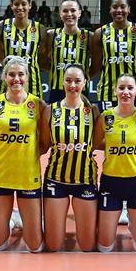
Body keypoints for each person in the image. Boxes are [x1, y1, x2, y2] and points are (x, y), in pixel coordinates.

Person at [0, 57, 49, 251]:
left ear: (27, 77)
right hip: (1, 175)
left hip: (27, 176)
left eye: (21, 74)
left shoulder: (38, 104)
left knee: (35, 246)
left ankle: (22, 218)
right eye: (11, 75)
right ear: (4, 77)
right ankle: (10, 220)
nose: (16, 79)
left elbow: (45, 144)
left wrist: (27, 153)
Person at [96, 74, 136, 253]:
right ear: (115, 90)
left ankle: (134, 220)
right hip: (111, 182)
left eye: (130, 88)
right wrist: (114, 146)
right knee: (105, 247)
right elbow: (94, 143)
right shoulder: (105, 117)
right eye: (121, 88)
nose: (126, 92)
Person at [42, 64, 99, 251]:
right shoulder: (51, 110)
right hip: (56, 180)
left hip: (85, 180)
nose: (72, 85)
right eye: (68, 80)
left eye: (77, 81)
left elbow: (98, 143)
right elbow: (43, 145)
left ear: (84, 83)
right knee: (52, 245)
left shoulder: (93, 111)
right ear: (62, 82)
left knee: (87, 246)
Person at [89, 0, 136, 111]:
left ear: (129, 9)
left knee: (134, 123)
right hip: (107, 91)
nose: (119, 10)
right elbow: (96, 67)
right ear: (110, 9)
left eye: (123, 6)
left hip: (133, 91)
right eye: (115, 7)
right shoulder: (100, 33)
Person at [0, 0, 47, 98]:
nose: (20, 7)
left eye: (24, 4)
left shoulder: (39, 28)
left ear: (30, 5)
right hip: (9, 81)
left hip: (32, 82)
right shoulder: (1, 26)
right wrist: (8, 63)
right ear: (11, 6)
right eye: (16, 4)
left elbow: (42, 57)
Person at [42, 0, 90, 104]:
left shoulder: (89, 36)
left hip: (81, 89)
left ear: (79, 13)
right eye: (65, 11)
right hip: (57, 89)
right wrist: (56, 70)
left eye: (73, 10)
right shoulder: (51, 35)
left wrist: (83, 75)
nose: (69, 14)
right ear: (60, 13)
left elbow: (96, 65)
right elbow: (42, 61)